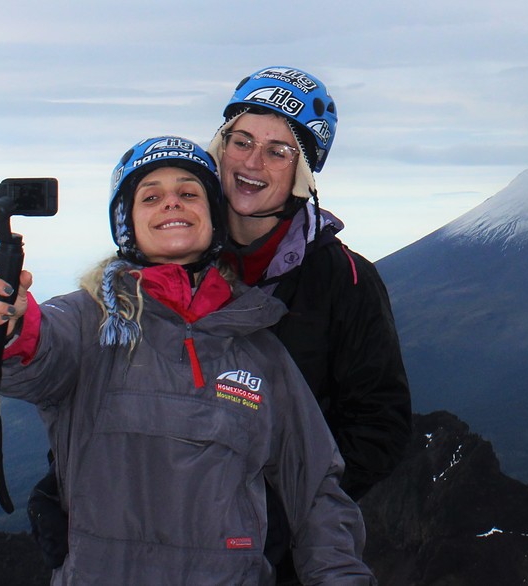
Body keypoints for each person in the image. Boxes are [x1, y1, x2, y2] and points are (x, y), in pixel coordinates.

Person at [0, 136, 375, 585]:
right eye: (151, 196)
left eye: (189, 192)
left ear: (214, 217)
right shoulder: (88, 322)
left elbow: (315, 490)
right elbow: (38, 356)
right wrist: (9, 328)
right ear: (127, 223)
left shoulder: (260, 350)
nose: (171, 204)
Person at [207, 67, 412, 583]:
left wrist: (280, 510)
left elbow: (378, 423)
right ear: (220, 145)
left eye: (278, 150)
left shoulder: (344, 281)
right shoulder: (168, 259)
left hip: (281, 560)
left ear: (303, 171)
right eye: (243, 140)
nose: (252, 163)